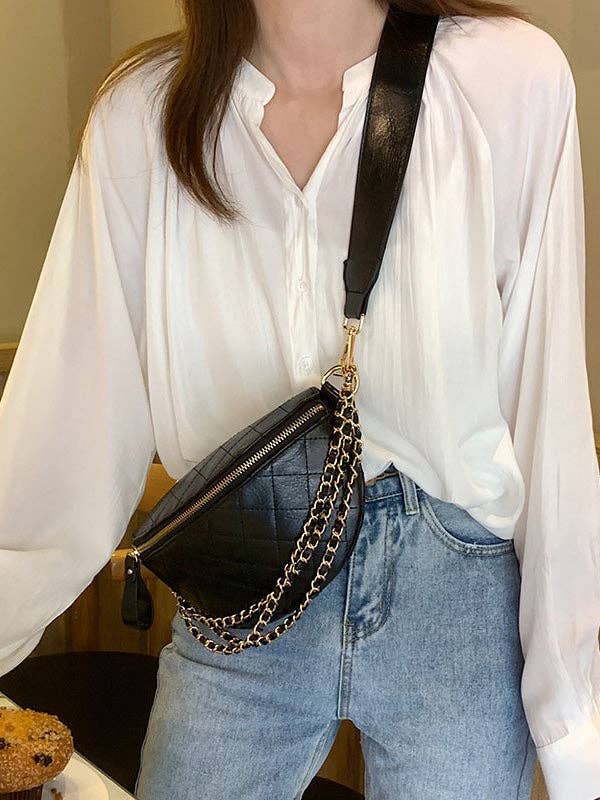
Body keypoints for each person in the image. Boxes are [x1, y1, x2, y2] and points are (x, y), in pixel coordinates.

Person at [1, 0, 598, 798]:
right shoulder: (143, 114)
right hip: (240, 594)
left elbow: (548, 411)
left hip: (452, 596)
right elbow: (69, 420)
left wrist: (575, 722)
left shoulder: (506, 78)